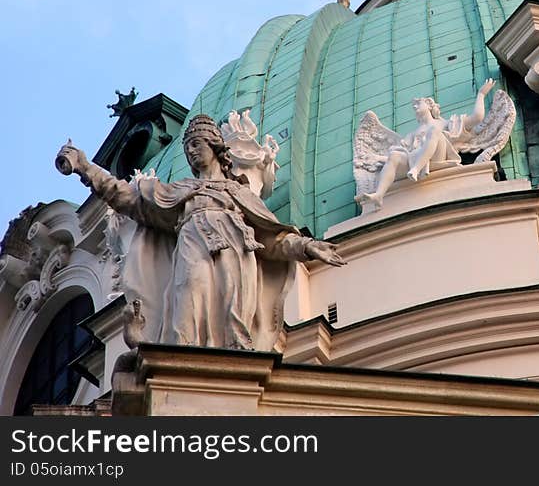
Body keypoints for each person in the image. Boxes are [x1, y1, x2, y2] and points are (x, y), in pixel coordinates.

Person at [56, 114, 345, 352]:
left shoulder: (237, 194)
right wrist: (85, 167)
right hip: (193, 247)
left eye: (197, 144)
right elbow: (125, 198)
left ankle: (233, 355)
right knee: (188, 293)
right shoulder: (179, 192)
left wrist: (306, 247)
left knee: (233, 309)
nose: (192, 151)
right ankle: (183, 360)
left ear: (215, 147)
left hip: (235, 254)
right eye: (188, 147)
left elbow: (271, 240)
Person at [359, 78, 496, 208]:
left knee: (434, 131)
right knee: (395, 154)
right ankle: (379, 195)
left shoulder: (445, 124)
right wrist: (377, 158)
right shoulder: (412, 135)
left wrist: (481, 94)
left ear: (430, 105)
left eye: (418, 103)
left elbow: (477, 117)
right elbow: (398, 156)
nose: (415, 106)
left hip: (437, 156)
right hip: (414, 158)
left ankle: (416, 169)